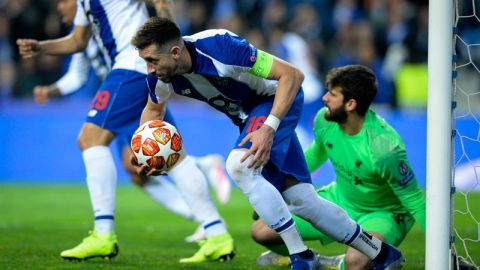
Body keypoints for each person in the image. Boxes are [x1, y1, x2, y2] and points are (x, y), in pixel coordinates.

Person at [131, 17, 405, 270]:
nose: (150, 68)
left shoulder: (221, 47)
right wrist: (145, 153)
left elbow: (292, 76)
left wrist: (268, 128)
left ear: (175, 52)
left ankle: (301, 255)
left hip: (275, 101)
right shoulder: (160, 77)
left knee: (239, 165)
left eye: (153, 60)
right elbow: (154, 112)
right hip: (249, 117)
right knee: (303, 201)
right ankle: (382, 254)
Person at [17, 0, 234, 262]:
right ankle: (217, 233)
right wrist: (41, 47)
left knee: (90, 138)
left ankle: (103, 235)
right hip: (138, 71)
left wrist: (169, 41)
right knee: (167, 154)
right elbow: (77, 41)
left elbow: (160, 2)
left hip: (132, 67)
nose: (60, 7)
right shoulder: (86, 4)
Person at [251, 65, 426, 270]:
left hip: (381, 213)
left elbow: (414, 199)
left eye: (332, 94)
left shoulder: (384, 149)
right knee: (262, 230)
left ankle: (339, 263)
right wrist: (275, 187)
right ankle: (309, 257)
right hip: (341, 199)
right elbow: (315, 155)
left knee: (356, 263)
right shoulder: (325, 120)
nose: (325, 98)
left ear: (350, 104)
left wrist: (443, 252)